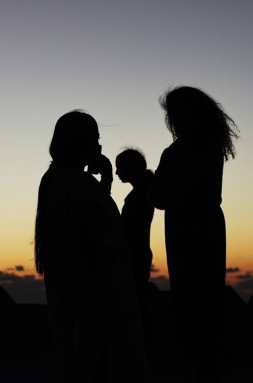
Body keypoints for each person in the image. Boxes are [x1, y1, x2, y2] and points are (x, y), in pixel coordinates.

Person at [34, 111, 150, 381]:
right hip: (94, 292)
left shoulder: (54, 179)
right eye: (95, 138)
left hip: (71, 286)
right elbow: (96, 234)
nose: (99, 145)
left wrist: (105, 180)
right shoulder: (78, 183)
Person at [150, 86, 238, 382]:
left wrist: (173, 190)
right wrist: (176, 190)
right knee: (188, 296)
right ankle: (202, 362)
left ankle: (207, 364)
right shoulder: (175, 151)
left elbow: (199, 189)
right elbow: (157, 196)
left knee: (205, 295)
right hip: (182, 226)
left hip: (201, 226)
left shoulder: (207, 147)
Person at [114, 148, 155, 353]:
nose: (116, 173)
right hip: (138, 253)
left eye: (119, 168)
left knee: (136, 304)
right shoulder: (145, 190)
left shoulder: (139, 195)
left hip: (134, 254)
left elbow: (127, 228)